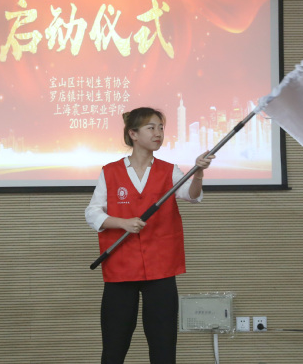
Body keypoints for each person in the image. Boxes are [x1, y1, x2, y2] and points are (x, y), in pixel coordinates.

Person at [85, 107, 215, 364]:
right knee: (114, 345)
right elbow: (92, 212)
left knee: (163, 345)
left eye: (161, 128)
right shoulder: (110, 171)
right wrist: (122, 223)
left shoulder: (169, 170)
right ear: (133, 134)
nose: (158, 133)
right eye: (151, 128)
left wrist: (198, 173)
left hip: (161, 267)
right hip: (121, 265)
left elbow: (191, 195)